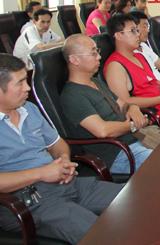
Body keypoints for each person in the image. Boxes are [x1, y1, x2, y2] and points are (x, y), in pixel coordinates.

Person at [0, 54, 123, 244]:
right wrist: (42, 173)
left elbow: (57, 144)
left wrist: (63, 160)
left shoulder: (29, 109)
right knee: (104, 236)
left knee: (134, 202)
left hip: (64, 182)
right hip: (26, 201)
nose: (28, 88)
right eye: (20, 82)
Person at [60, 35, 152, 173]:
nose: (99, 57)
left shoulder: (95, 82)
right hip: (118, 154)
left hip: (136, 139)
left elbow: (123, 104)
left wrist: (133, 108)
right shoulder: (72, 96)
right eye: (93, 53)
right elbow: (103, 131)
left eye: (97, 51)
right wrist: (133, 125)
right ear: (74, 60)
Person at [104, 14, 160, 127]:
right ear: (118, 36)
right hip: (156, 114)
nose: (138, 34)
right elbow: (124, 102)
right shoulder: (115, 66)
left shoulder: (139, 56)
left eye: (137, 30)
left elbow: (155, 82)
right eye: (133, 31)